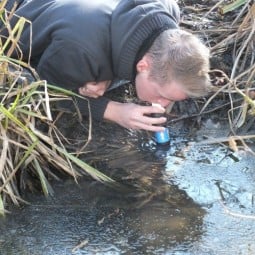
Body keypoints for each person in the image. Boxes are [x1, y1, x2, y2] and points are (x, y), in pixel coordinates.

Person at [2, 0, 211, 132]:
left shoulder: (166, 10)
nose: (163, 104)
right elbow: (45, 92)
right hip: (13, 14)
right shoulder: (82, 51)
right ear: (143, 65)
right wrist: (114, 111)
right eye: (162, 95)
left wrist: (110, 74)